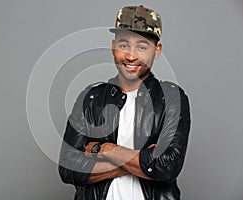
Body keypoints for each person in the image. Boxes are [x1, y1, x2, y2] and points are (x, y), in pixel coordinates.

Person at [59, 5, 191, 200]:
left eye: (142, 46)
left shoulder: (172, 99)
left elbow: (167, 167)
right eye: (123, 45)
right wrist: (142, 160)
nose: (131, 56)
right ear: (113, 47)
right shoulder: (91, 99)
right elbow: (68, 169)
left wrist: (105, 150)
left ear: (157, 50)